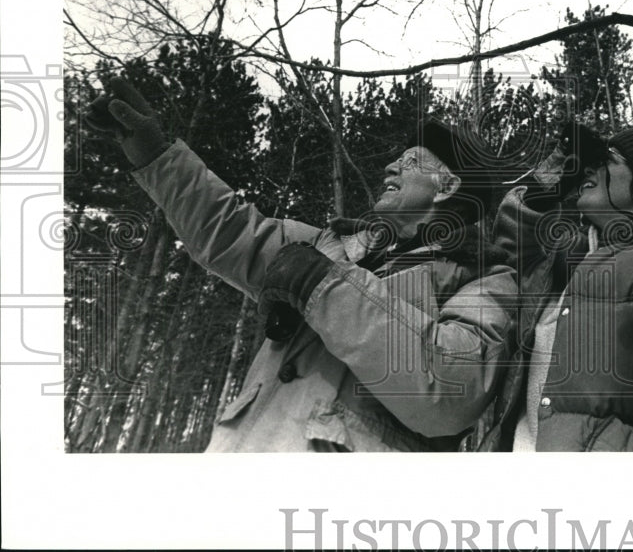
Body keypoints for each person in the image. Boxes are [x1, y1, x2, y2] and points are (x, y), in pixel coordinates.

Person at [86, 77, 517, 452]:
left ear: (448, 186)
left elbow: (448, 393)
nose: (390, 165)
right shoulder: (327, 243)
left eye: (410, 161)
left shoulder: (486, 280)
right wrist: (159, 158)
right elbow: (230, 230)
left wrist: (324, 286)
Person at [471, 124, 633, 452]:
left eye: (608, 159)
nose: (588, 169)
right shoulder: (566, 262)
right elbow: (508, 252)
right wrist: (550, 177)